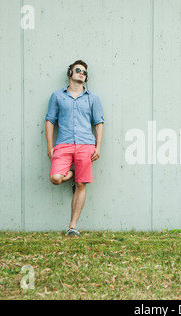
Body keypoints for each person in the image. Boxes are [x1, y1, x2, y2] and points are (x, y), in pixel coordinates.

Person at [45, 60, 104, 236]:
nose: (81, 73)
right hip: (63, 144)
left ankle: (72, 226)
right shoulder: (57, 96)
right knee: (55, 178)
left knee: (81, 184)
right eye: (78, 70)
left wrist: (97, 147)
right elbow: (50, 121)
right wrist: (50, 147)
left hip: (86, 145)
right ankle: (69, 174)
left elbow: (99, 123)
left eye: (84, 72)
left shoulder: (93, 98)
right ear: (70, 73)